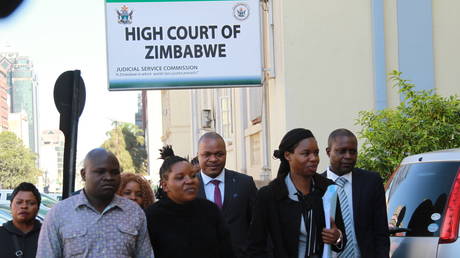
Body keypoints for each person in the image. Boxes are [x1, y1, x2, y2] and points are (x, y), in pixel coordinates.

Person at [36, 148, 153, 258]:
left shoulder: (134, 212)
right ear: (83, 174)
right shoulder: (59, 213)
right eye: (100, 172)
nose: (108, 177)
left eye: (114, 172)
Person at [247, 128, 346, 258]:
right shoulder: (269, 196)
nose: (314, 158)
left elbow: (340, 240)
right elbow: (256, 247)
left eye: (316, 153)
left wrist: (337, 237)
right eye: (306, 153)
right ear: (288, 155)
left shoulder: (328, 189)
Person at [145, 145, 234, 258]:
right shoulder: (152, 216)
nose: (189, 181)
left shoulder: (210, 210)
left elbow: (227, 251)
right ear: (165, 185)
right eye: (180, 177)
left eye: (192, 176)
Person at [324, 128, 389, 258]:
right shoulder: (316, 186)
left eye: (353, 152)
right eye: (342, 151)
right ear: (328, 152)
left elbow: (381, 232)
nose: (348, 156)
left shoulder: (371, 182)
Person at [196, 132, 257, 258]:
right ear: (198, 156)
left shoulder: (244, 183)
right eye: (207, 154)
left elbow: (259, 225)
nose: (213, 159)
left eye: (219, 154)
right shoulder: (189, 187)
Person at [0, 182, 42, 258]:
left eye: (31, 203)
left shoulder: (47, 235)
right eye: (19, 202)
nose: (24, 206)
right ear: (10, 206)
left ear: (38, 208)